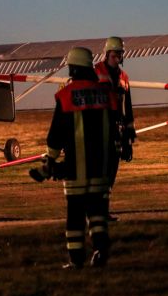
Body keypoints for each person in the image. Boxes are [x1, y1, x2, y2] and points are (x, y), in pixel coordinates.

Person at [44, 47, 118, 268]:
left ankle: (76, 260)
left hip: (76, 169)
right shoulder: (106, 94)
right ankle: (101, 251)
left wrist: (50, 159)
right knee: (98, 215)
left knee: (75, 217)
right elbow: (115, 126)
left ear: (74, 68)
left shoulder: (66, 95)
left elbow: (56, 133)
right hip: (101, 168)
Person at [94, 36, 135, 221]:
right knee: (100, 172)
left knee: (111, 171)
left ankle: (103, 210)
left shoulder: (124, 77)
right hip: (99, 130)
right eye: (115, 54)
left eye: (120, 54)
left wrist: (129, 137)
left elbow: (128, 108)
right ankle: (96, 210)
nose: (118, 57)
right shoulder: (95, 72)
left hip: (117, 130)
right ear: (107, 53)